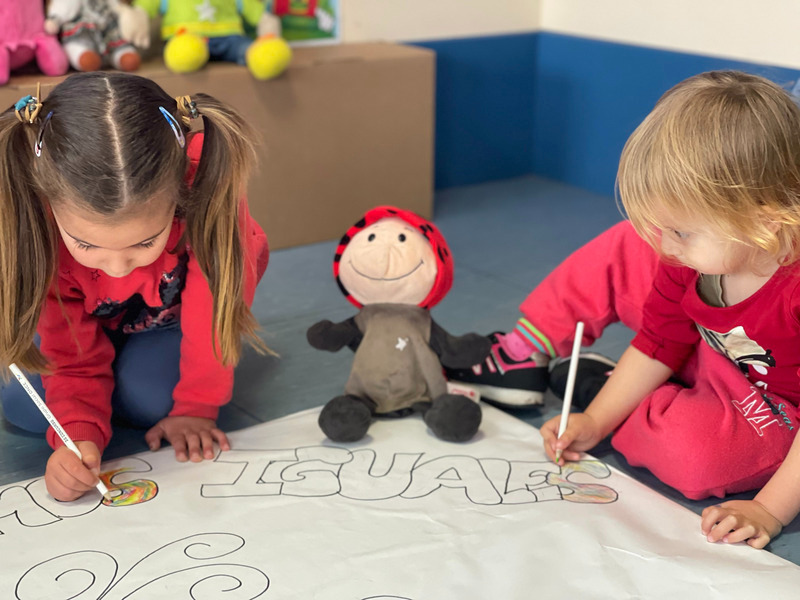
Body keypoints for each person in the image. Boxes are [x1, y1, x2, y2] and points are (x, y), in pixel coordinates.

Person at [451, 70, 800, 548]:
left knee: (696, 458)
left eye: (679, 231)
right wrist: (595, 422)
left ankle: (604, 384)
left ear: (765, 221)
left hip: (775, 405)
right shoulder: (695, 254)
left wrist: (769, 509)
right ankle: (526, 350)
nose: (664, 243)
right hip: (713, 348)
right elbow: (660, 340)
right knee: (627, 246)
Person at [0, 72, 269, 502]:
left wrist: (196, 407)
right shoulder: (36, 220)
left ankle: (121, 381)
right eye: (86, 244)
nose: (118, 267)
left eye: (145, 242)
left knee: (152, 400)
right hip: (85, 324)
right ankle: (109, 388)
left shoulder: (205, 191)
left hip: (162, 323)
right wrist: (79, 434)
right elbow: (68, 355)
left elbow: (211, 316)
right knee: (23, 406)